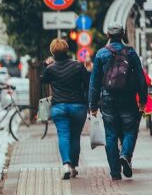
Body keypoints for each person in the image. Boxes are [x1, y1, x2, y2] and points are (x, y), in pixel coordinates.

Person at [89, 24, 147, 179]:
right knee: (130, 129)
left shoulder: (101, 54)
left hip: (107, 99)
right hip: (128, 98)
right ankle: (126, 155)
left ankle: (115, 172)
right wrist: (143, 100)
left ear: (108, 35)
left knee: (111, 134)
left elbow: (94, 82)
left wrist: (93, 105)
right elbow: (141, 78)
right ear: (123, 35)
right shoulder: (131, 52)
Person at [40, 38, 89, 180]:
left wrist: (45, 65)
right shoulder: (78, 66)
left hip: (59, 107)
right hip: (78, 106)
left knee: (63, 135)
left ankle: (66, 165)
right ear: (67, 50)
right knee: (75, 136)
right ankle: (73, 167)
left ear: (52, 51)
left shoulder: (50, 69)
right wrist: (91, 104)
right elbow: (87, 84)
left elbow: (43, 80)